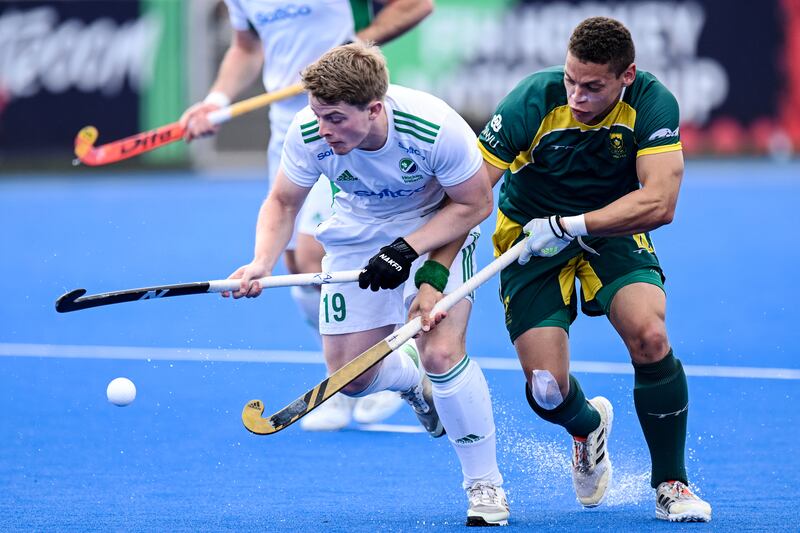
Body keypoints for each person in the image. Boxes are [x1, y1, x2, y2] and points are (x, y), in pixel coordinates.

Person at [226, 42, 509, 526]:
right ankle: (414, 384)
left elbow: (475, 204)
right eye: (318, 115)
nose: (323, 128)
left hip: (436, 226)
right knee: (353, 378)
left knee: (441, 352)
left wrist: (410, 252)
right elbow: (283, 202)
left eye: (335, 118)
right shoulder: (309, 132)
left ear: (374, 108)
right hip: (356, 234)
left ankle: (485, 486)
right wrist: (261, 261)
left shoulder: (435, 128)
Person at [476, 17, 712, 523]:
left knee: (650, 334)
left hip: (610, 228)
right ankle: (586, 427)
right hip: (529, 238)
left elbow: (660, 202)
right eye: (570, 80)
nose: (577, 96)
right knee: (545, 389)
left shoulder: (652, 103)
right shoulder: (532, 101)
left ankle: (671, 482)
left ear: (626, 75)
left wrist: (570, 224)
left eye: (592, 86)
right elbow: (471, 194)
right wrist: (431, 270)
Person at [179, 0, 434, 431]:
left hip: (345, 121)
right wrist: (216, 99)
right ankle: (352, 372)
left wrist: (352, 52)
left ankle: (374, 367)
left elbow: (416, 5)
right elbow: (246, 46)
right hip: (290, 126)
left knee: (316, 252)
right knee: (296, 262)